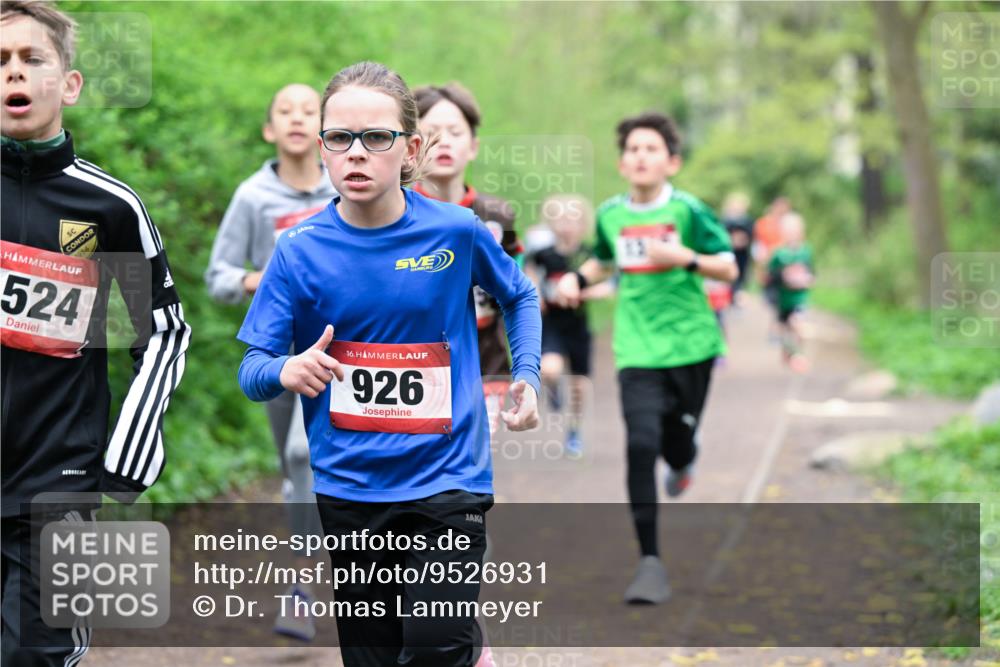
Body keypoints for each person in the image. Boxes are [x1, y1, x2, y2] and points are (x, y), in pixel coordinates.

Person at [236, 61, 540, 667]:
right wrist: (286, 371)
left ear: (411, 149)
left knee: (434, 648)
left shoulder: (456, 232)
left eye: (376, 137)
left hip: (448, 479)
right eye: (339, 137)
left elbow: (519, 294)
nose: (356, 153)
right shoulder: (298, 251)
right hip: (349, 487)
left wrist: (526, 375)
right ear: (321, 147)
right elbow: (253, 368)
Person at [1, 2, 190, 664]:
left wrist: (125, 457)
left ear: (69, 84)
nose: (12, 74)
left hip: (60, 481)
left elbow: (162, 332)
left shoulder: (108, 208)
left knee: (37, 656)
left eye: (31, 59)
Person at [556, 112, 736, 605]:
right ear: (621, 163)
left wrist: (686, 259)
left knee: (676, 444)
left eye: (651, 148)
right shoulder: (612, 213)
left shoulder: (689, 211)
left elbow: (729, 266)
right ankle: (650, 563)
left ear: (671, 161)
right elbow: (602, 257)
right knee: (640, 443)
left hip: (692, 346)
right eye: (632, 149)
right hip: (635, 348)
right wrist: (578, 278)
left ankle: (685, 459)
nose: (640, 156)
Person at [204, 82, 335, 641]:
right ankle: (303, 586)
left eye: (310, 111)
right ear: (270, 129)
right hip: (284, 358)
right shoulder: (253, 198)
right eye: (286, 111)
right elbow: (219, 277)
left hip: (353, 353)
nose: (298, 119)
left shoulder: (346, 185)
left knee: (310, 459)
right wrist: (266, 280)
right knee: (296, 467)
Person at [412, 82, 523, 435]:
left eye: (455, 132)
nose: (444, 140)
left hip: (485, 363)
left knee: (474, 455)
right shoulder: (395, 214)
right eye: (431, 132)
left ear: (473, 146)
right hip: (416, 365)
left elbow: (516, 292)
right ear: (411, 147)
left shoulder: (496, 215)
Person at [525, 194, 611, 457]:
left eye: (572, 220)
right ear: (550, 224)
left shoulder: (589, 256)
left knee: (579, 385)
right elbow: (528, 271)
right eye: (560, 220)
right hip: (551, 323)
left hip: (578, 325)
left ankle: (574, 430)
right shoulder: (543, 254)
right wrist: (536, 292)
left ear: (583, 224)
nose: (566, 225)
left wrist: (585, 293)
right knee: (550, 370)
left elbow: (610, 283)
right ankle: (552, 390)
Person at [768, 211, 814, 373]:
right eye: (789, 231)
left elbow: (812, 271)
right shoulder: (779, 254)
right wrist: (784, 278)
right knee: (784, 330)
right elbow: (771, 277)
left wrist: (808, 279)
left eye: (795, 231)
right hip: (783, 299)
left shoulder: (806, 251)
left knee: (798, 325)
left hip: (799, 298)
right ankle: (787, 354)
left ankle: (799, 355)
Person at [719, 191, 753, 302]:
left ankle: (738, 291)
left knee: (741, 272)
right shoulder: (725, 220)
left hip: (742, 253)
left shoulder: (747, 220)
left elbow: (750, 235)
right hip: (729, 251)